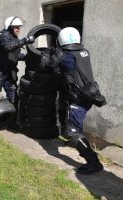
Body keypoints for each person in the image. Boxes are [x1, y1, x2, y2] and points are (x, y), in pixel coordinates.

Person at [41, 27, 104, 175]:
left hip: (78, 98)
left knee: (72, 131)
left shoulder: (65, 55)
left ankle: (94, 163)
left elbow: (46, 66)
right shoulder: (84, 52)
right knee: (66, 115)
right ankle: (75, 142)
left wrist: (47, 52)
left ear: (61, 40)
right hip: (87, 94)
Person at [0, 16, 35, 108]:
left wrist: (28, 57)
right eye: (16, 27)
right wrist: (25, 40)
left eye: (19, 27)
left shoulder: (15, 39)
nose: (18, 29)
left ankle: (11, 120)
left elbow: (15, 55)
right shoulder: (3, 37)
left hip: (9, 72)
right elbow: (8, 47)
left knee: (14, 97)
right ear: (10, 27)